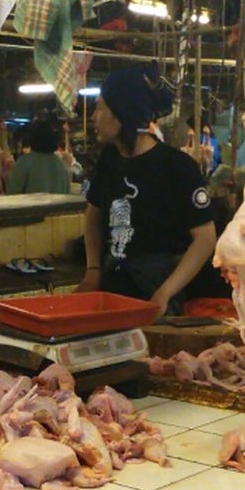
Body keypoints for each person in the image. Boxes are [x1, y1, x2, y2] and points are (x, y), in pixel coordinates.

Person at [75, 68, 216, 318]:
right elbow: (93, 217)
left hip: (158, 289)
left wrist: (165, 293)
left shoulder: (176, 166)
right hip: (115, 283)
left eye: (100, 108)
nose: (94, 117)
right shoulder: (109, 160)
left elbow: (205, 239)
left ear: (120, 114)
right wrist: (93, 270)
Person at [7, 118, 70, 195]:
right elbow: (67, 192)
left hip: (32, 206)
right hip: (59, 207)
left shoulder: (24, 163)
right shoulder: (61, 164)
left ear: (31, 138)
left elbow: (12, 193)